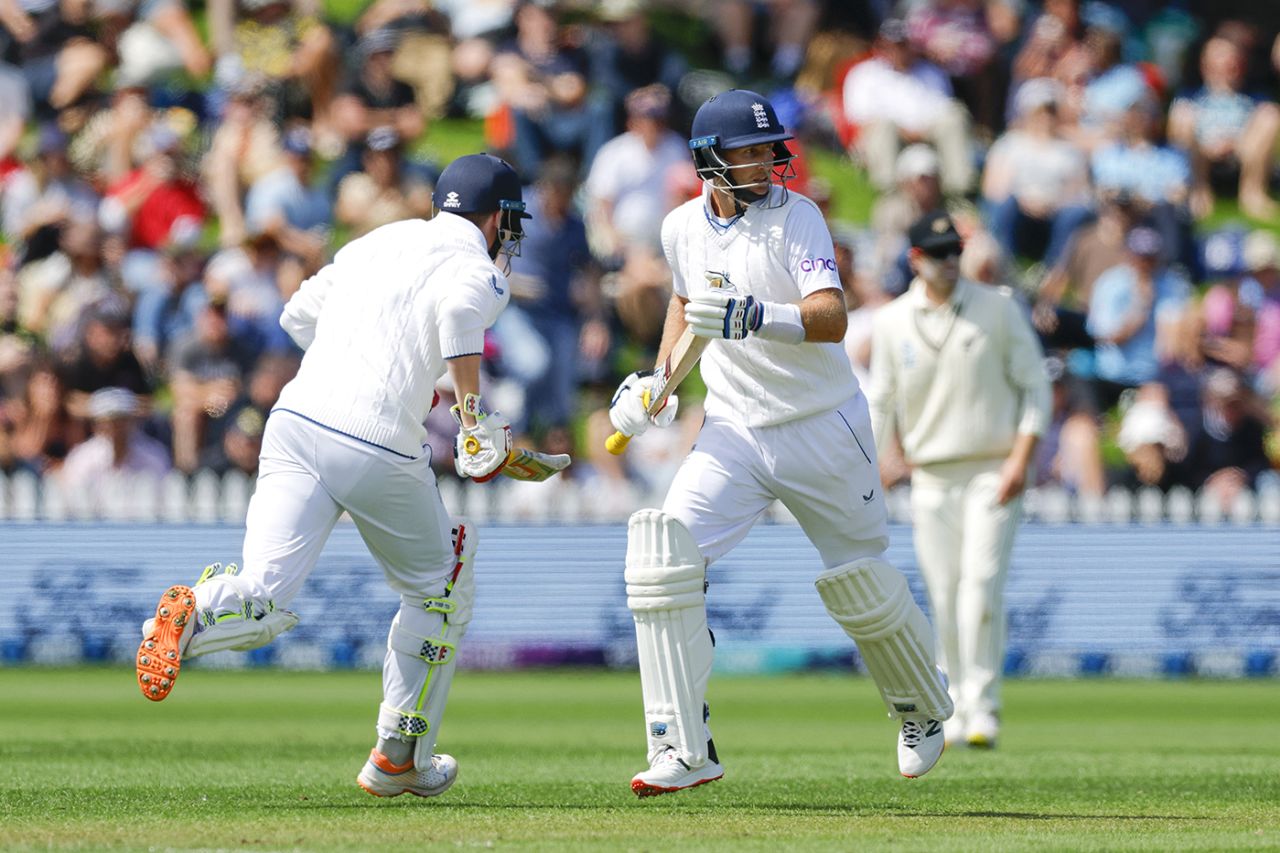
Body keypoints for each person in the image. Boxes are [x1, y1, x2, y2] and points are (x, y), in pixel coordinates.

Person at [134, 154, 533, 800]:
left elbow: (298, 316)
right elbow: (459, 317)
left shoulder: (381, 239)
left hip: (294, 419)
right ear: (494, 218)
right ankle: (398, 754)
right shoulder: (478, 269)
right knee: (443, 585)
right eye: (507, 224)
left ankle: (191, 610)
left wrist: (388, 368)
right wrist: (470, 413)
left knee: (264, 598)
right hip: (374, 443)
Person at [608, 89, 955, 797]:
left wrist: (755, 315)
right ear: (709, 161)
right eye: (750, 150)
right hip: (733, 429)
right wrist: (660, 382)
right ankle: (682, 744)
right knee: (661, 556)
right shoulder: (681, 228)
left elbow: (830, 315)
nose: (767, 161)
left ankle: (921, 706)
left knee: (859, 574)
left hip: (822, 424)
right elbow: (684, 301)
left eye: (771, 148)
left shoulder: (799, 219)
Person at [867, 210, 1052, 750]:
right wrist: (881, 462)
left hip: (993, 469)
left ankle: (983, 706)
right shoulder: (892, 321)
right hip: (931, 475)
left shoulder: (997, 307)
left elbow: (1035, 388)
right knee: (944, 593)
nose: (950, 262)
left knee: (980, 587)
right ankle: (952, 703)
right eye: (939, 253)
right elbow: (882, 398)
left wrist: (1021, 458)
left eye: (956, 252)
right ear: (915, 259)